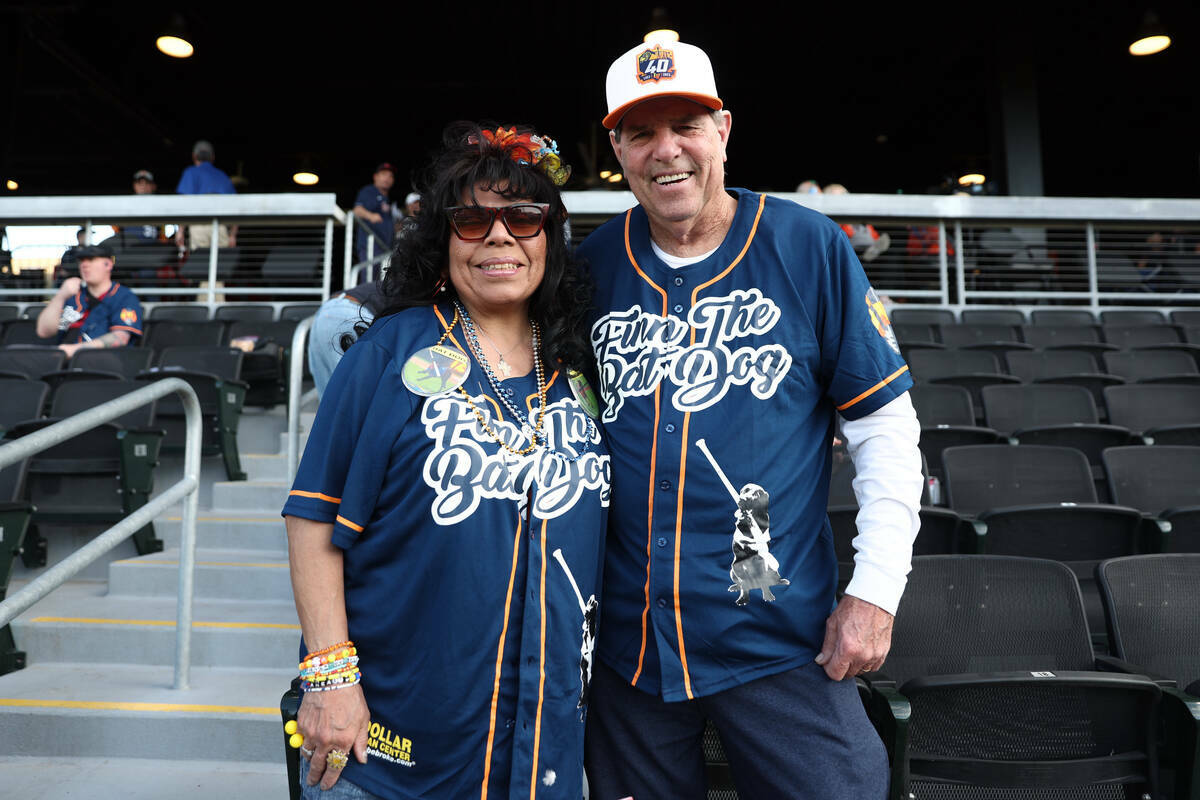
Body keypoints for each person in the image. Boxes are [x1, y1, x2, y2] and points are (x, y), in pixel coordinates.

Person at [579, 39, 923, 798]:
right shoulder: (593, 266)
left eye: (687, 125)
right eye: (642, 132)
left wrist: (874, 594)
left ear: (724, 130)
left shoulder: (807, 245)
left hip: (774, 636)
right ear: (618, 149)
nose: (667, 150)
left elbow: (885, 431)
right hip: (631, 652)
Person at [282, 121, 609, 799]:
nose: (499, 236)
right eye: (471, 219)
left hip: (542, 749)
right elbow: (313, 518)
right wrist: (330, 680)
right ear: (442, 238)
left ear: (550, 236)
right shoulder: (389, 350)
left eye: (523, 217)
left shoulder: (581, 366)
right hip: (386, 753)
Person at [36, 243, 143, 356]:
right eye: (82, 260)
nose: (85, 265)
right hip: (61, 360)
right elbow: (43, 332)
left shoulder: (124, 296)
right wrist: (60, 296)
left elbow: (120, 338)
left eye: (91, 260)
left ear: (108, 265)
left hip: (101, 362)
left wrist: (74, 350)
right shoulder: (72, 296)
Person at [306, 280, 386, 395]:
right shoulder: (415, 287)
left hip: (329, 311)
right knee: (360, 400)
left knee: (331, 405)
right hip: (349, 315)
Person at [175, 140, 238, 249]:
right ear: (212, 157)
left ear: (194, 156)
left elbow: (185, 204)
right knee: (220, 263)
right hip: (220, 226)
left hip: (198, 224)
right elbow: (236, 208)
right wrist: (232, 235)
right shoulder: (222, 176)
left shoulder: (190, 172)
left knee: (201, 262)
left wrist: (180, 231)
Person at [352, 163, 397, 268]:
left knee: (381, 282)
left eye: (391, 176)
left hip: (385, 249)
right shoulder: (369, 191)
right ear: (375, 177)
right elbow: (357, 210)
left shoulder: (388, 199)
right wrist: (370, 215)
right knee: (369, 281)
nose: (387, 178)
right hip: (370, 247)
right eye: (384, 174)